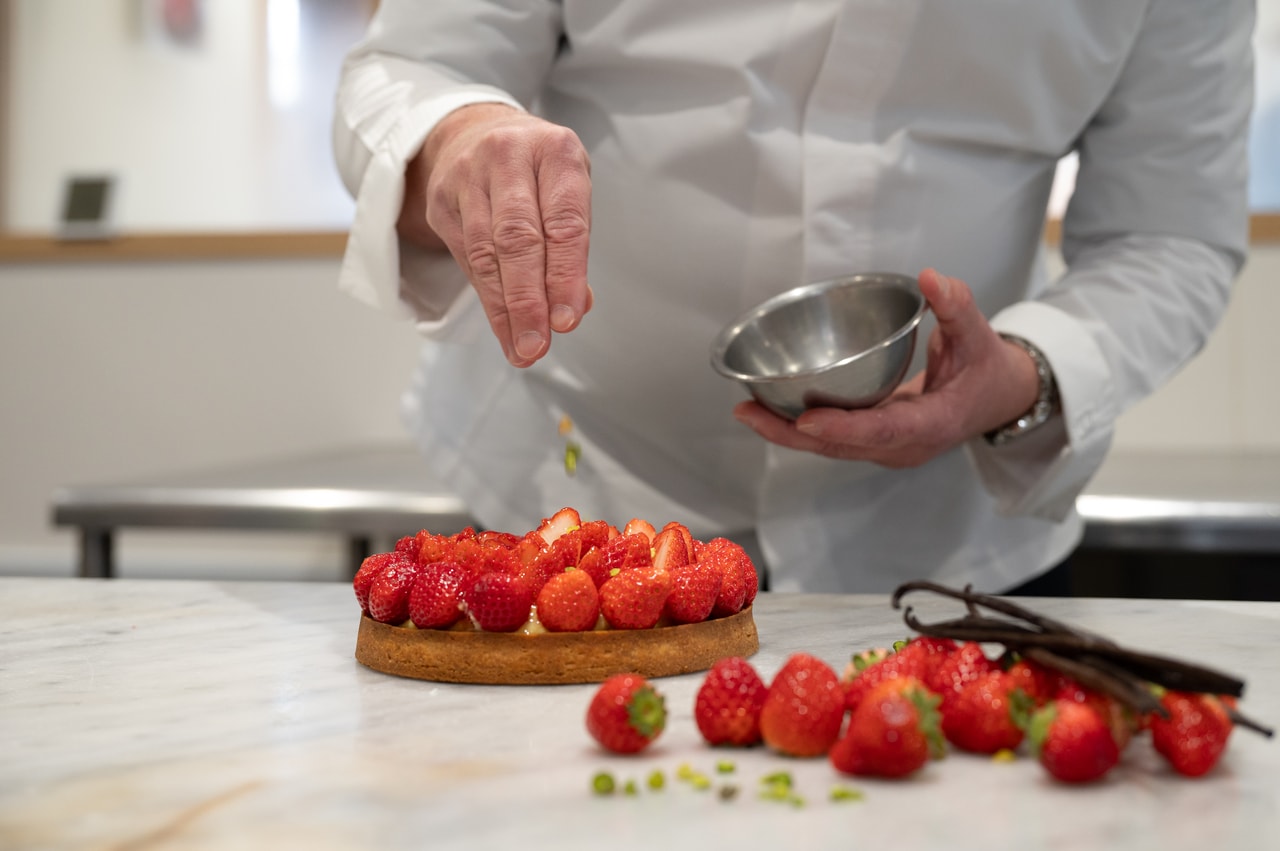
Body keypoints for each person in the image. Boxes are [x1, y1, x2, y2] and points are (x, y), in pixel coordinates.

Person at [332, 1, 1254, 594]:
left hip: (936, 552)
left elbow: (1169, 233)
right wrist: (454, 138)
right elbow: (404, 69)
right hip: (570, 496)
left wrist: (1020, 377)